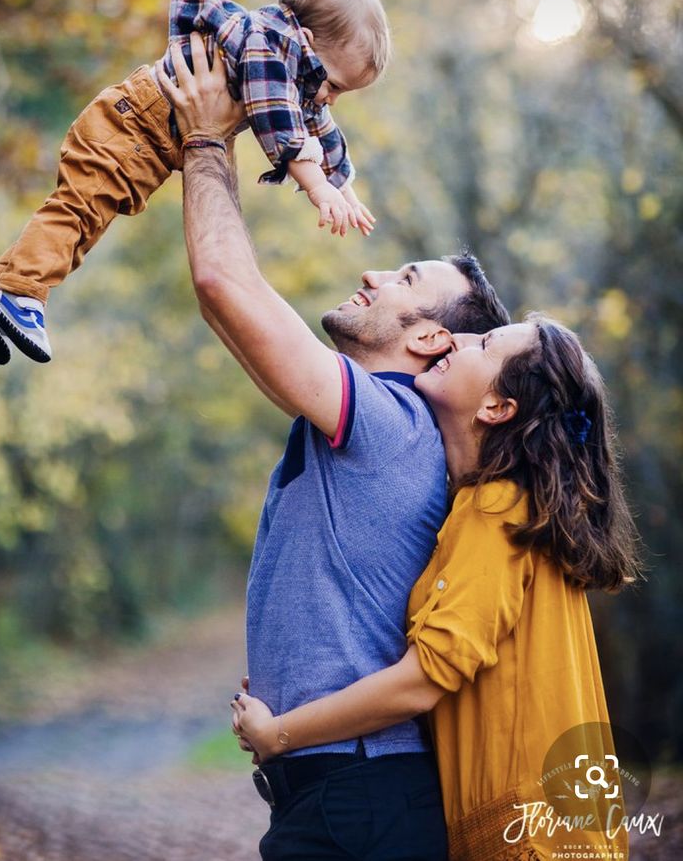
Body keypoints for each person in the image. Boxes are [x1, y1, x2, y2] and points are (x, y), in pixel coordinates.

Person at [165, 34, 511, 860]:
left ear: (431, 336)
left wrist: (208, 139)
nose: (375, 274)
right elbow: (224, 306)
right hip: (340, 799)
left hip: (363, 802)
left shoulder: (391, 422)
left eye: (407, 277)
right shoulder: (369, 417)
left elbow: (225, 281)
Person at [232, 316, 641, 861]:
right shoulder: (498, 510)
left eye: (486, 343)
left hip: (527, 839)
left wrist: (278, 733)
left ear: (497, 408)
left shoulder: (497, 510)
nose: (460, 338)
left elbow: (424, 680)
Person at [0, 0, 385, 366]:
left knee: (90, 219)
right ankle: (21, 294)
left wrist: (342, 184)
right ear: (306, 40)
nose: (329, 98)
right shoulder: (268, 46)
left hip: (146, 136)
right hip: (133, 127)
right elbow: (279, 122)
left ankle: (1, 284)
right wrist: (317, 188)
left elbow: (318, 124)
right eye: (333, 84)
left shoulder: (296, 66)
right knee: (80, 210)